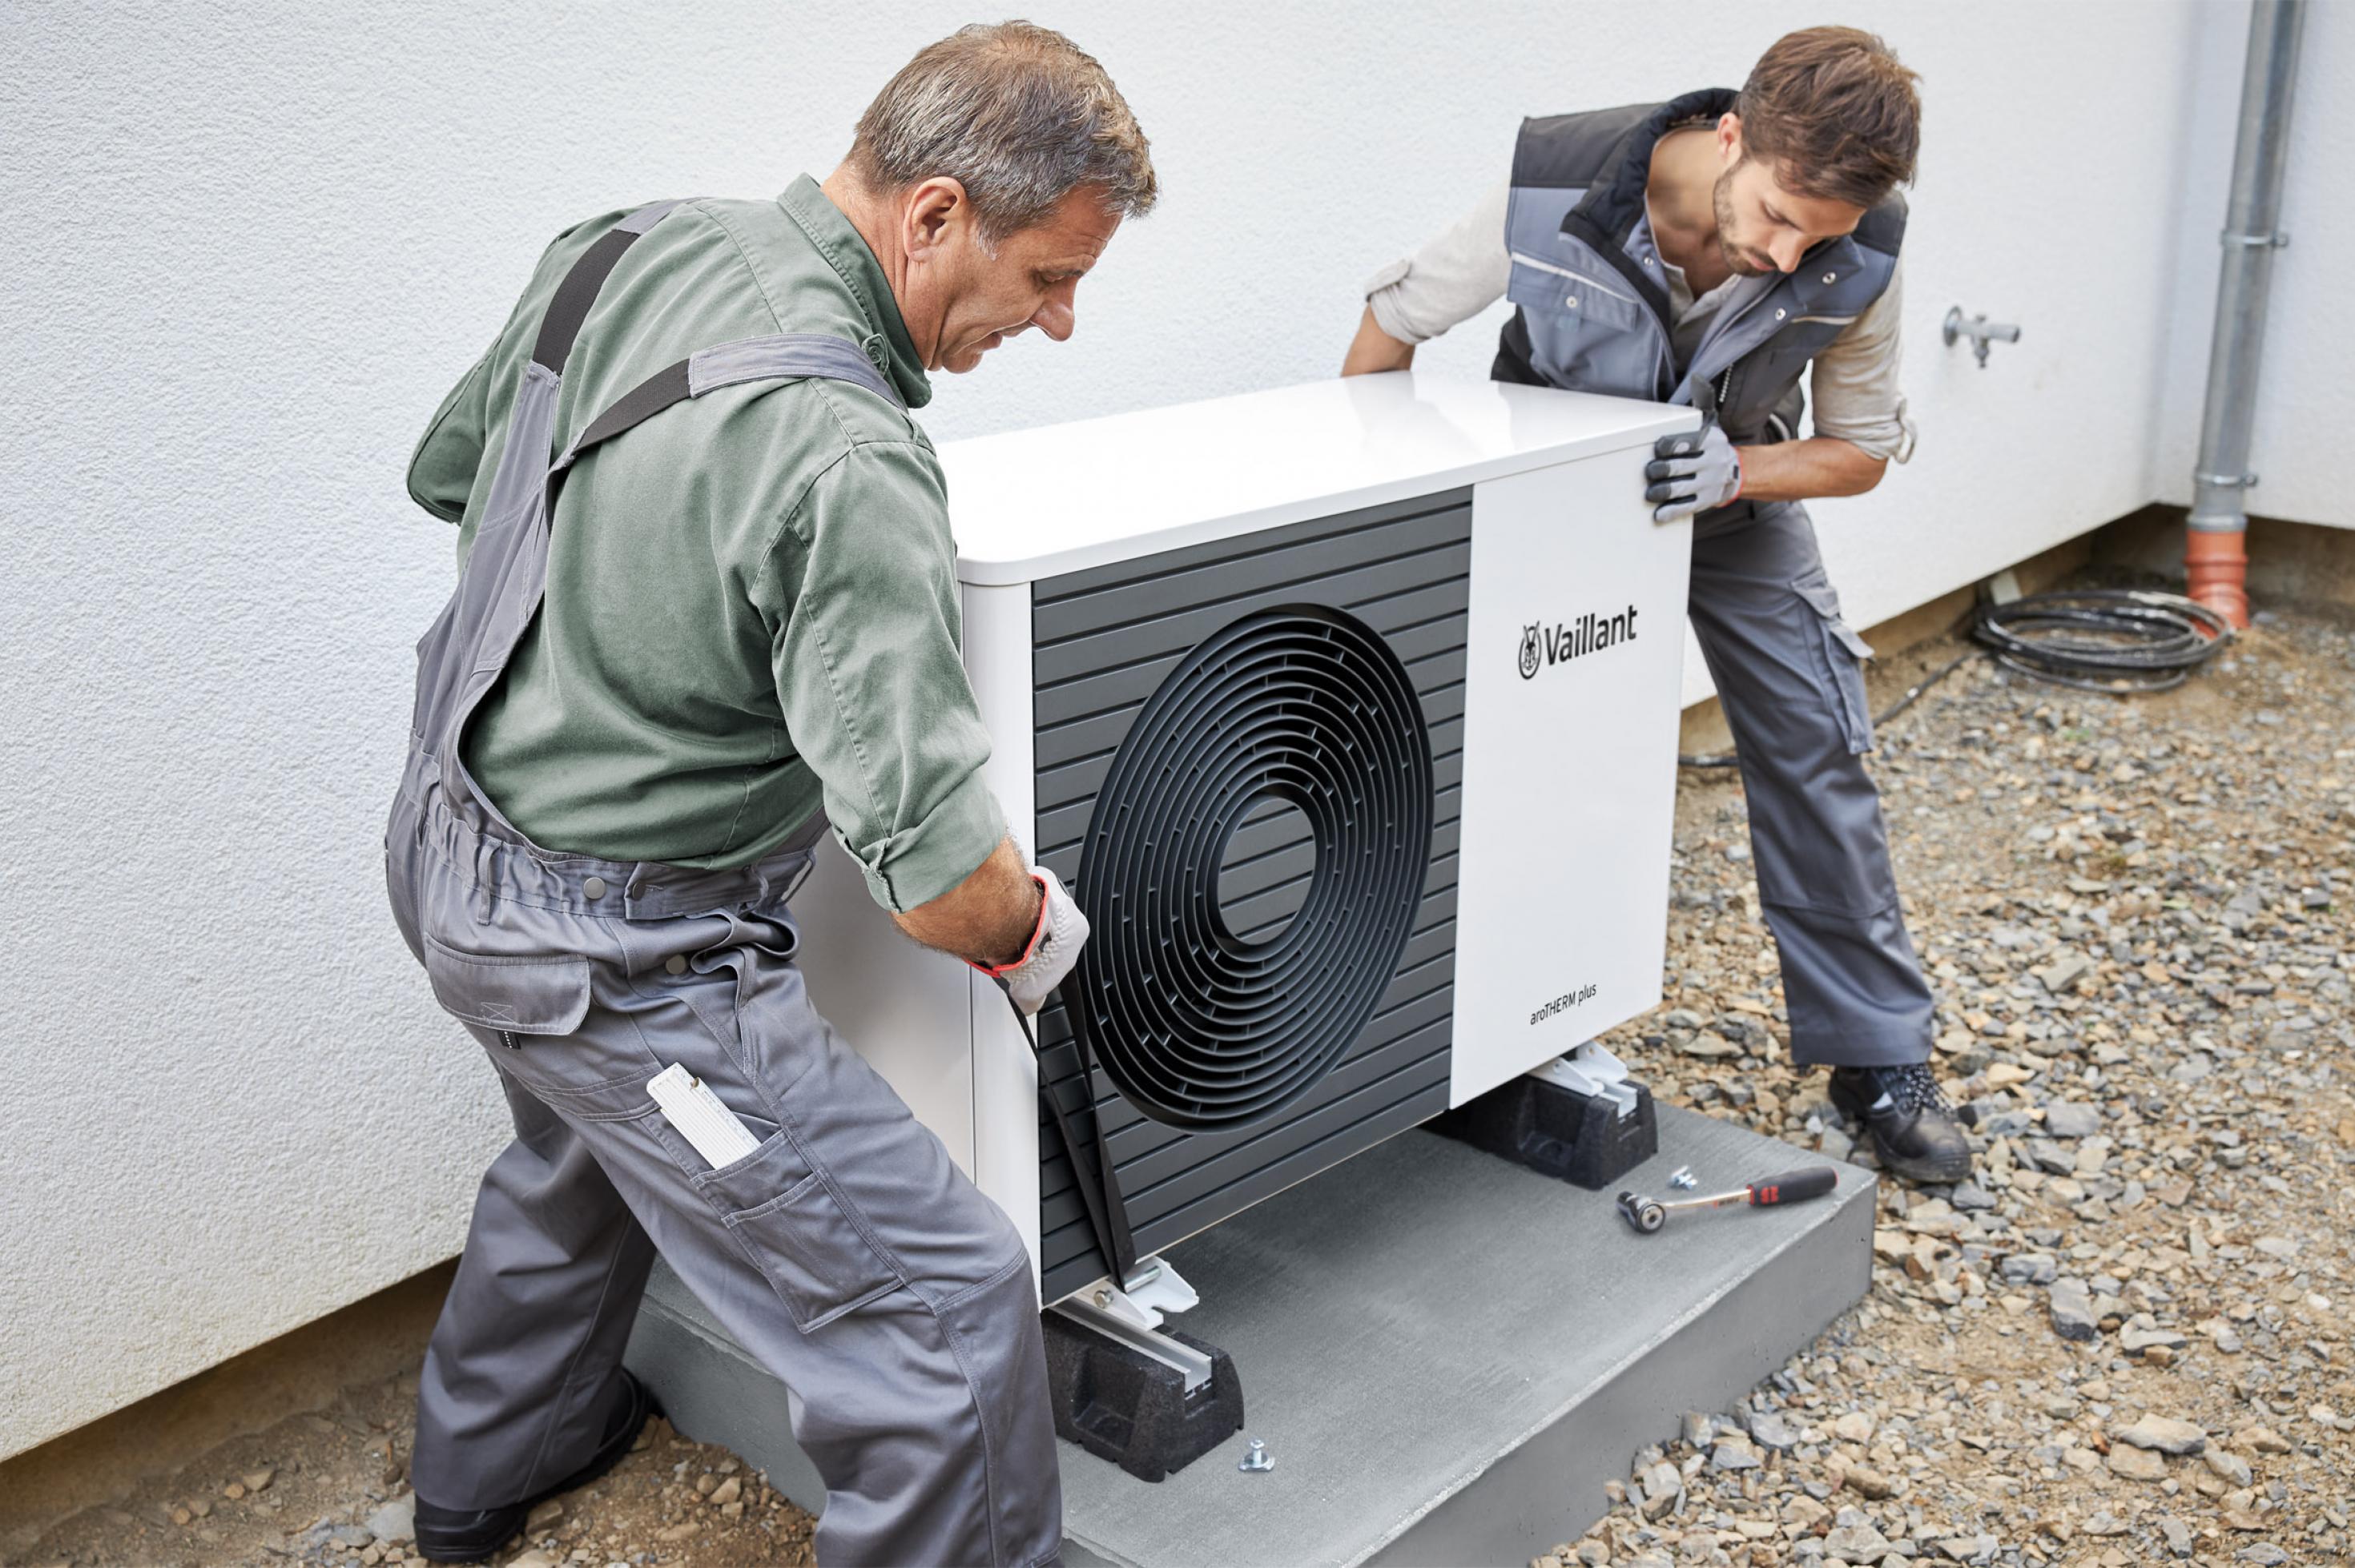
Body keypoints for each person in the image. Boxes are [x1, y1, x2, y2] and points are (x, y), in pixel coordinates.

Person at [384, 22, 1153, 1565]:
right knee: (947, 1312)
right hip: (622, 962)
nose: (1060, 321)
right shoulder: (850, 461)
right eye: (1050, 276)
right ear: (935, 214)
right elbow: (943, 886)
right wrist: (1034, 928)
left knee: (591, 1151)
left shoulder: (622, 249)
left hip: (449, 840)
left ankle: (489, 1469)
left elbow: (455, 474)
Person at [1343, 26, 1970, 1184]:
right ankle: (1488, 1022)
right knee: (1516, 754)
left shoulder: (1864, 252)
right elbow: (1392, 328)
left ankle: (1878, 1053)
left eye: (1817, 239)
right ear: (1731, 136)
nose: (1786, 257)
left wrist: (1741, 470)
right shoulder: (1553, 185)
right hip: (1557, 506)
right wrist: (1386, 511)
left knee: (1817, 743)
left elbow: (1859, 451)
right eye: (1776, 216)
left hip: (1732, 498)